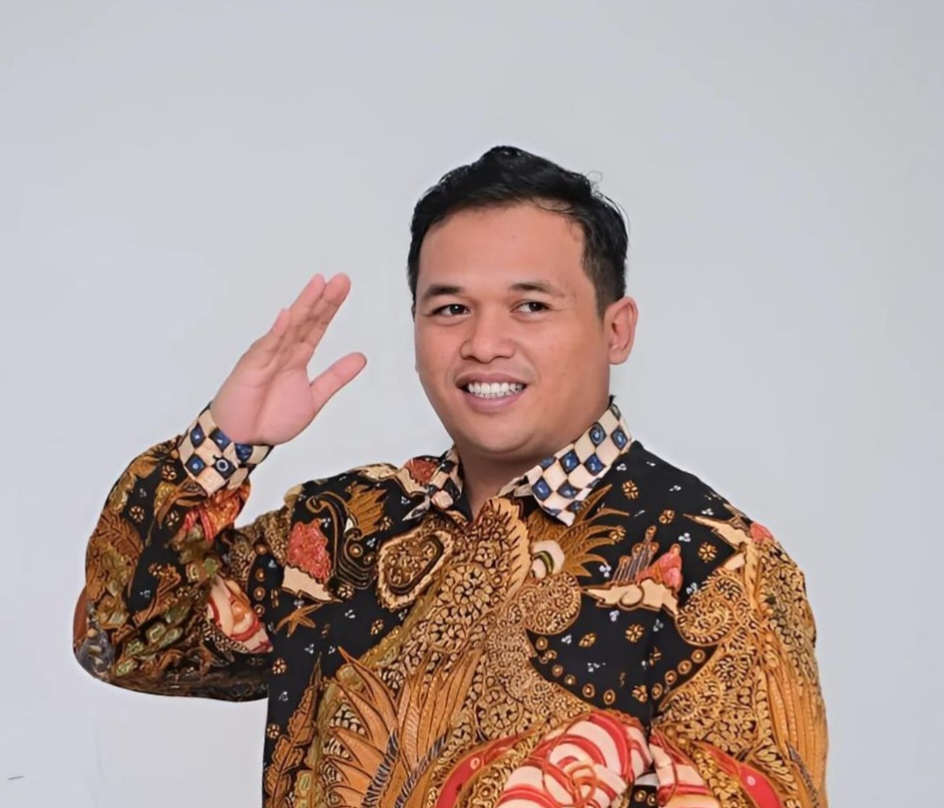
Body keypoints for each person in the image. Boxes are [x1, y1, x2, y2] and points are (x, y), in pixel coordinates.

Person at [73, 146, 829, 808]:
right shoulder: (344, 529)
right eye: (451, 308)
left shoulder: (715, 566)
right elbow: (125, 640)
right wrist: (222, 445)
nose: (484, 342)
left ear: (615, 328)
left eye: (530, 305)